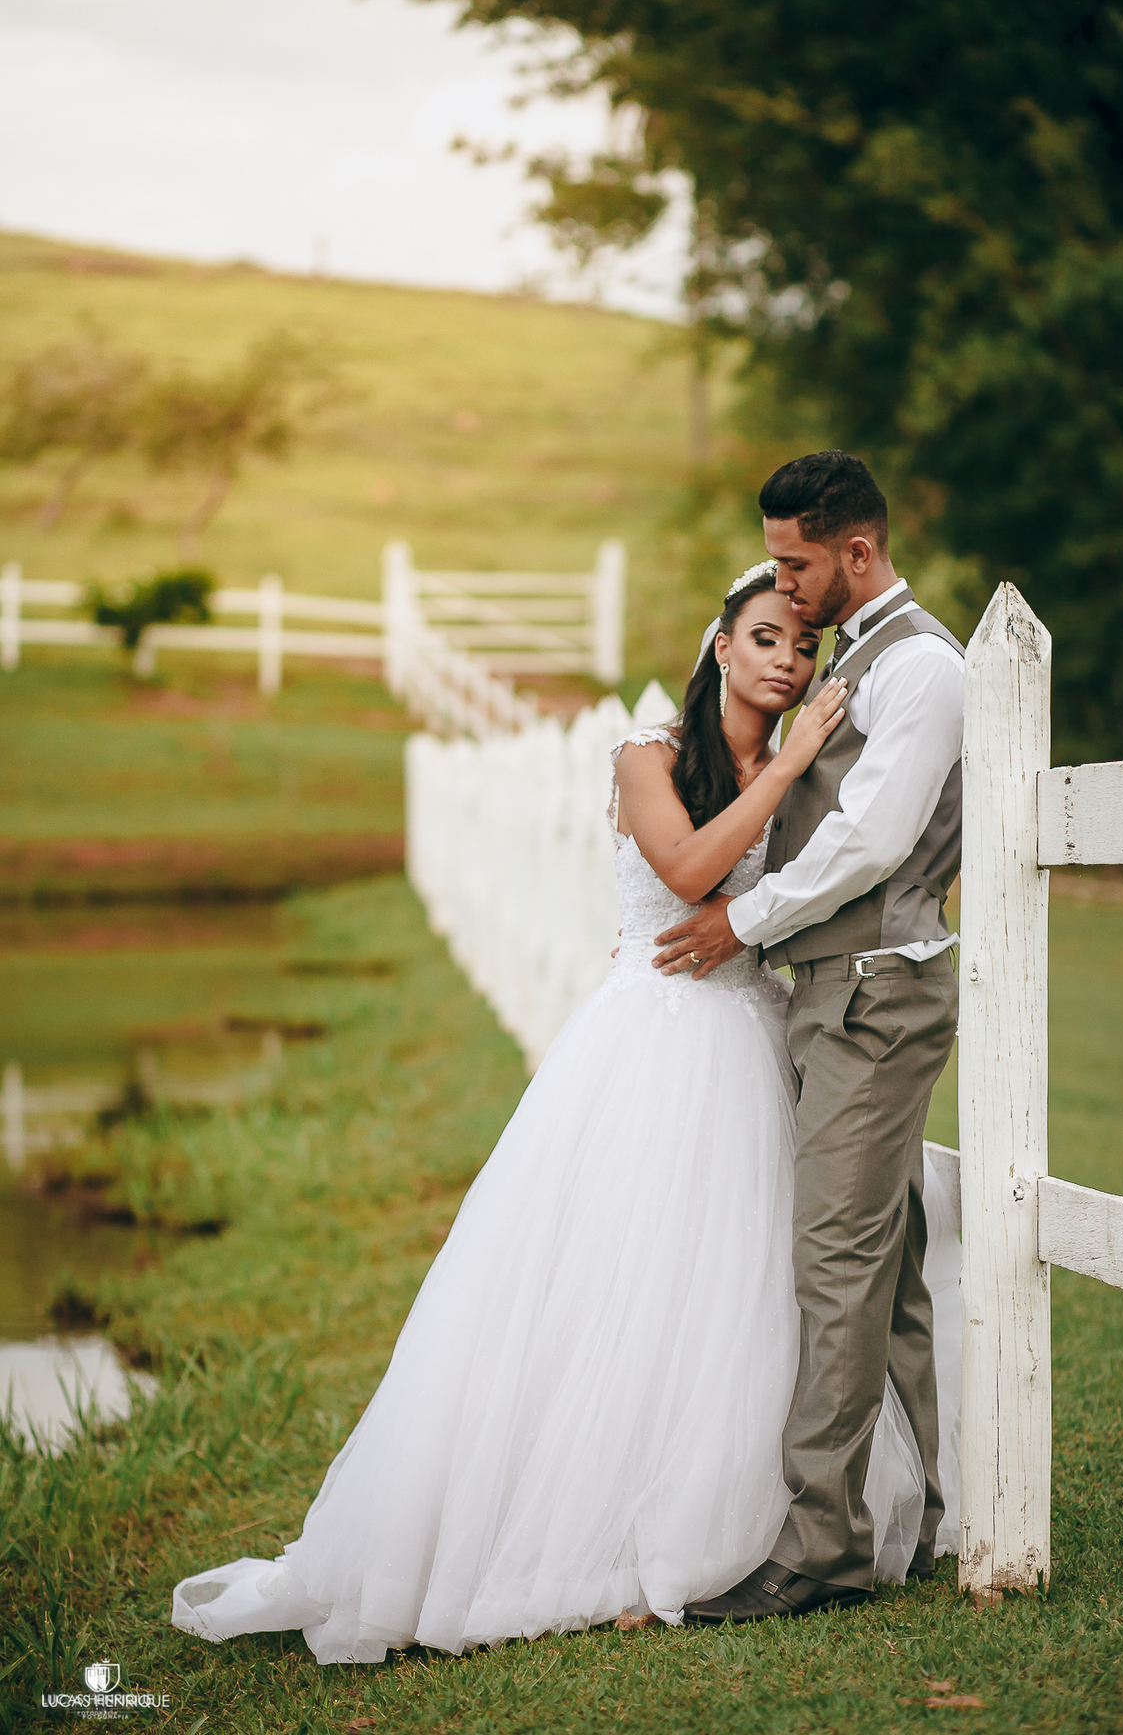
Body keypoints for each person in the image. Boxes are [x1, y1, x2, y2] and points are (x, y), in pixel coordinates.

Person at [171, 564, 959, 1663]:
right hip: (650, 1042)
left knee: (746, 1283)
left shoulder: (807, 762)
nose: (787, 661)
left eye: (801, 646)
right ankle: (576, 1521)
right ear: (719, 647)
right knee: (617, 1276)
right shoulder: (646, 753)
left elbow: (831, 868)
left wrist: (801, 784)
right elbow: (688, 869)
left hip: (754, 1033)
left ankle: (764, 1515)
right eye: (765, 639)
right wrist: (784, 771)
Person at [654, 451, 965, 1626]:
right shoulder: (856, 660)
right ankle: (936, 1506)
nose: (782, 583)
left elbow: (870, 844)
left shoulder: (922, 669)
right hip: (831, 993)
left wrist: (743, 918)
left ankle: (820, 1546)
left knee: (836, 1263)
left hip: (877, 992)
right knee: (876, 1271)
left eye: (795, 561)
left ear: (857, 550)